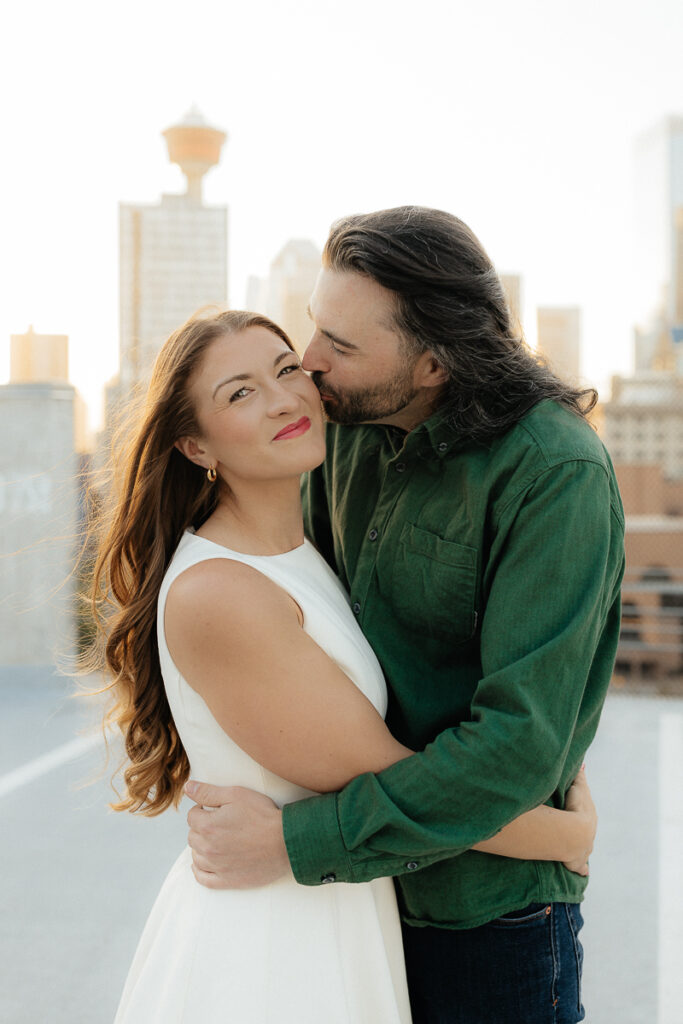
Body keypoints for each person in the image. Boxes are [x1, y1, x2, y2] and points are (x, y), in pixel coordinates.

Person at [90, 307, 598, 1024]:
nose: (282, 399)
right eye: (241, 393)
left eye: (285, 369)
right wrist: (566, 835)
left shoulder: (301, 550)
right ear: (195, 445)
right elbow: (387, 776)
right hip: (274, 948)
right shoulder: (220, 591)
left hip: (335, 914)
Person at [183, 208, 625, 1024]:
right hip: (349, 910)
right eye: (315, 326)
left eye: (341, 345)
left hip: (485, 918)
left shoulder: (554, 474)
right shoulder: (338, 431)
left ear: (432, 362)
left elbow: (514, 749)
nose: (310, 362)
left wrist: (297, 840)